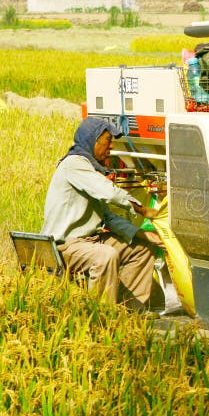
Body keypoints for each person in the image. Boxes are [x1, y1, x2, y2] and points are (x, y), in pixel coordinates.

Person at [41, 117, 163, 311]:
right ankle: (101, 316)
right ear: (93, 140)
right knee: (106, 256)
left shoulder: (91, 170)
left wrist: (141, 233)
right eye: (107, 140)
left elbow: (108, 218)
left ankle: (129, 313)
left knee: (142, 248)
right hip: (66, 246)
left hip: (91, 241)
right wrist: (140, 208)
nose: (111, 146)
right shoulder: (74, 164)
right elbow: (108, 191)